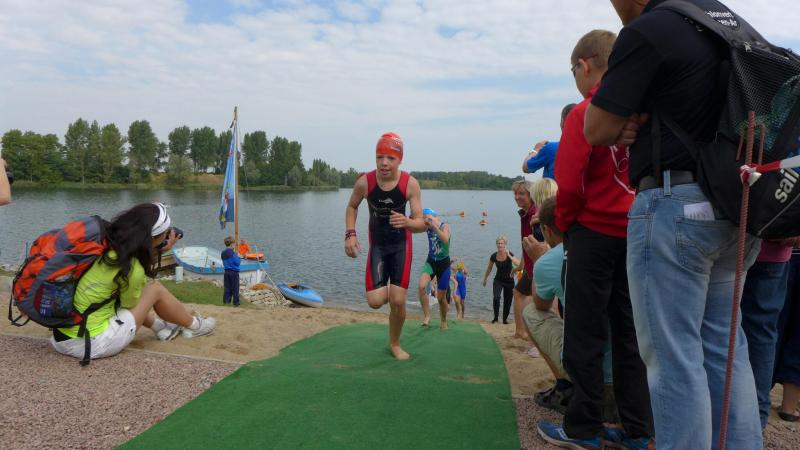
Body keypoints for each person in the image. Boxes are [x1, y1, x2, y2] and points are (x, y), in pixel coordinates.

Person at [585, 1, 765, 448]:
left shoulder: (650, 30)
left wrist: (623, 122)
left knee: (673, 358)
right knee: (727, 352)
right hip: (737, 207)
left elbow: (595, 127)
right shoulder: (724, 22)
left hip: (676, 206)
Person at [538, 29, 653, 449]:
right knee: (631, 335)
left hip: (592, 233)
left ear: (585, 66)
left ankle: (583, 428)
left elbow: (569, 183)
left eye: (574, 72)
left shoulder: (586, 113)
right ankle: (639, 430)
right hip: (635, 232)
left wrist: (566, 224)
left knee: (584, 334)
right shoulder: (642, 108)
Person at [50, 203, 217, 361]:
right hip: (91, 344)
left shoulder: (104, 245)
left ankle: (160, 328)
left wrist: (158, 248)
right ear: (151, 239)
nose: (166, 238)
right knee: (153, 289)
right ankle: (196, 326)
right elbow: (130, 304)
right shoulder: (131, 267)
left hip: (62, 337)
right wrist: (155, 252)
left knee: (128, 292)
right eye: (164, 235)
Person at [344, 132, 426, 360]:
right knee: (375, 301)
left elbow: (421, 224)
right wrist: (350, 233)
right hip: (378, 246)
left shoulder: (410, 184)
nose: (384, 163)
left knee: (398, 300)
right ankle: (395, 296)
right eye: (379, 157)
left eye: (390, 158)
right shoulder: (365, 182)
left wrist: (408, 222)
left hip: (401, 246)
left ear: (400, 160)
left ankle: (395, 343)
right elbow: (351, 206)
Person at [775, 242, 800, 422]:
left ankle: (757, 398)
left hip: (784, 246)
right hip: (786, 248)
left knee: (771, 325)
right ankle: (789, 406)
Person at [417, 207, 451, 329]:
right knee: (421, 286)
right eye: (424, 218)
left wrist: (434, 227)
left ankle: (444, 320)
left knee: (441, 299)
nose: (426, 220)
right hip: (431, 261)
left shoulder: (444, 226)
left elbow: (445, 239)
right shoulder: (427, 226)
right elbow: (414, 226)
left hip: (444, 265)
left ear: (434, 217)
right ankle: (427, 316)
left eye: (427, 218)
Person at [522, 103, 577, 180]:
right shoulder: (590, 149)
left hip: (555, 188)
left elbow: (526, 168)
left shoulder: (551, 148)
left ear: (562, 122)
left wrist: (535, 150)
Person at [511, 180, 537, 340]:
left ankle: (527, 334)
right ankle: (521, 331)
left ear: (531, 195)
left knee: (530, 297)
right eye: (515, 193)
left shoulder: (534, 214)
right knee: (520, 293)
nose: (517, 197)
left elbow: (538, 243)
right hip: (530, 265)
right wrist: (521, 265)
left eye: (521, 193)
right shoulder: (525, 213)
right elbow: (526, 243)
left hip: (537, 265)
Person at [482, 236, 520, 324]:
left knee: (508, 301)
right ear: (496, 244)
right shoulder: (494, 256)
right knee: (496, 297)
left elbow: (518, 264)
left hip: (509, 281)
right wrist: (485, 278)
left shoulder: (510, 253)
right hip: (498, 280)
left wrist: (509, 255)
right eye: (498, 243)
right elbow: (489, 268)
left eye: (502, 243)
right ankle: (495, 318)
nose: (500, 245)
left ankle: (504, 320)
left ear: (505, 244)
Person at [222, 236, 241, 307]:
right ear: (231, 244)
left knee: (227, 287)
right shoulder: (233, 253)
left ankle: (226, 301)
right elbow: (237, 263)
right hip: (234, 272)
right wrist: (239, 257)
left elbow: (224, 262)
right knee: (235, 288)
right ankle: (236, 302)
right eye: (234, 244)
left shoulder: (223, 252)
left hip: (226, 272)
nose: (235, 245)